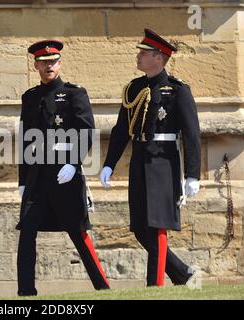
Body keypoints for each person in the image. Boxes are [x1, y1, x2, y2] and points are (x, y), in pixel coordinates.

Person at [100, 29, 201, 287]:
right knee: (140, 228)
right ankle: (183, 274)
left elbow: (191, 134)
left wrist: (192, 174)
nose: (138, 57)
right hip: (139, 159)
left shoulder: (178, 90)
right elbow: (121, 130)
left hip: (164, 161)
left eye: (143, 53)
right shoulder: (134, 88)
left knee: (157, 225)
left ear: (159, 57)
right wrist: (109, 164)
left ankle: (154, 286)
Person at [16, 40, 110, 296]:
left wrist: (73, 162)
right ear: (35, 65)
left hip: (64, 174)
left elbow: (86, 132)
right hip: (37, 176)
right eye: (44, 62)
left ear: (60, 63)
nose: (49, 66)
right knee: (27, 233)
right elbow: (25, 139)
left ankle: (103, 286)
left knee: (78, 231)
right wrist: (22, 181)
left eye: (53, 61)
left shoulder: (73, 94)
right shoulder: (30, 97)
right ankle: (26, 292)